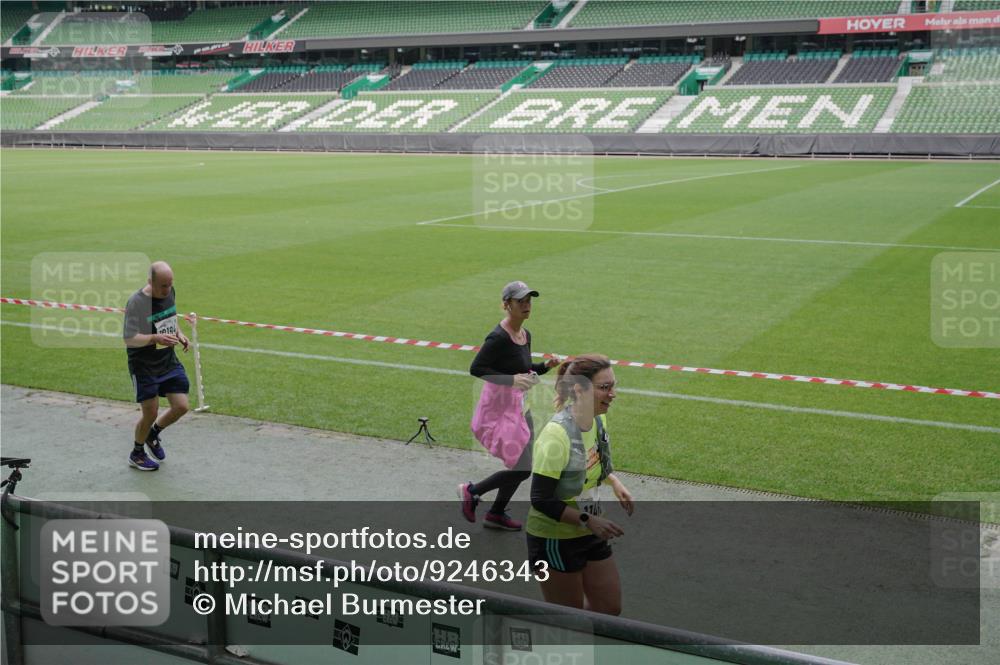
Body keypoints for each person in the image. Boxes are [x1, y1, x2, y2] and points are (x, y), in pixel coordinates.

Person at [526, 354, 633, 615]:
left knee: (609, 608)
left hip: (589, 530)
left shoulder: (597, 419)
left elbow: (589, 461)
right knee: (568, 617)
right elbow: (540, 499)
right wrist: (588, 519)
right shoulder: (556, 436)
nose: (613, 394)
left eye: (613, 385)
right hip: (555, 538)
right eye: (604, 387)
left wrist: (614, 481)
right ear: (579, 390)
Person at [460, 281, 559, 531]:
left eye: (529, 300)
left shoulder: (525, 335)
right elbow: (477, 368)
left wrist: (544, 367)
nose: (527, 305)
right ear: (506, 305)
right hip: (499, 411)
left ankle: (496, 513)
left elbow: (523, 368)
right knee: (523, 469)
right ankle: (472, 491)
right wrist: (511, 380)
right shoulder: (498, 338)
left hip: (520, 408)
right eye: (520, 301)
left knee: (522, 465)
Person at [122, 261, 190, 471]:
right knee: (150, 412)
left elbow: (171, 317)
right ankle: (137, 453)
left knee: (181, 406)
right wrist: (155, 338)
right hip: (144, 365)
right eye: (163, 286)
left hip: (167, 361)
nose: (167, 290)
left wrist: (179, 334)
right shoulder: (137, 303)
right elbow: (129, 338)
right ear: (150, 282)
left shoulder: (170, 292)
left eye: (170, 284)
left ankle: (153, 434)